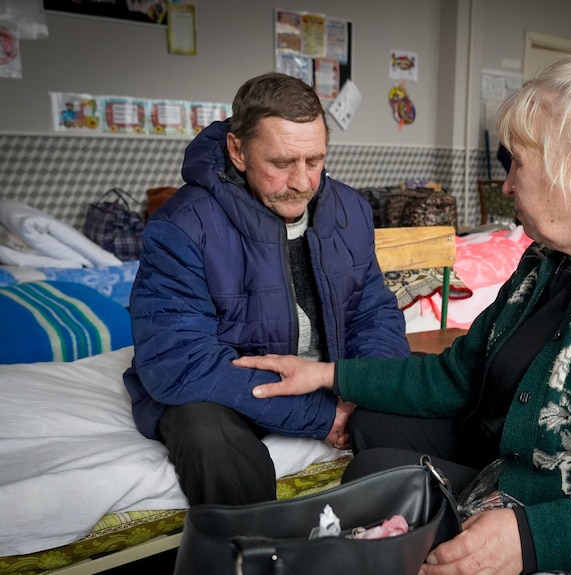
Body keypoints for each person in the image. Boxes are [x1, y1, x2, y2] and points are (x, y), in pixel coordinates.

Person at [234, 37, 571, 575]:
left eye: (516, 162)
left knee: (393, 501)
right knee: (374, 447)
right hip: (546, 463)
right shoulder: (554, 253)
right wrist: (330, 374)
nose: (506, 183)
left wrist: (527, 540)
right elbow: (462, 371)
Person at [122, 72, 410, 506]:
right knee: (206, 436)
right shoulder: (183, 225)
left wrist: (364, 387)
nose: (302, 182)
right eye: (281, 163)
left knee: (425, 399)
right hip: (227, 392)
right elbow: (180, 362)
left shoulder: (349, 209)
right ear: (238, 151)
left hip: (325, 377)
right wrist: (322, 416)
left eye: (315, 161)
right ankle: (256, 554)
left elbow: (373, 312)